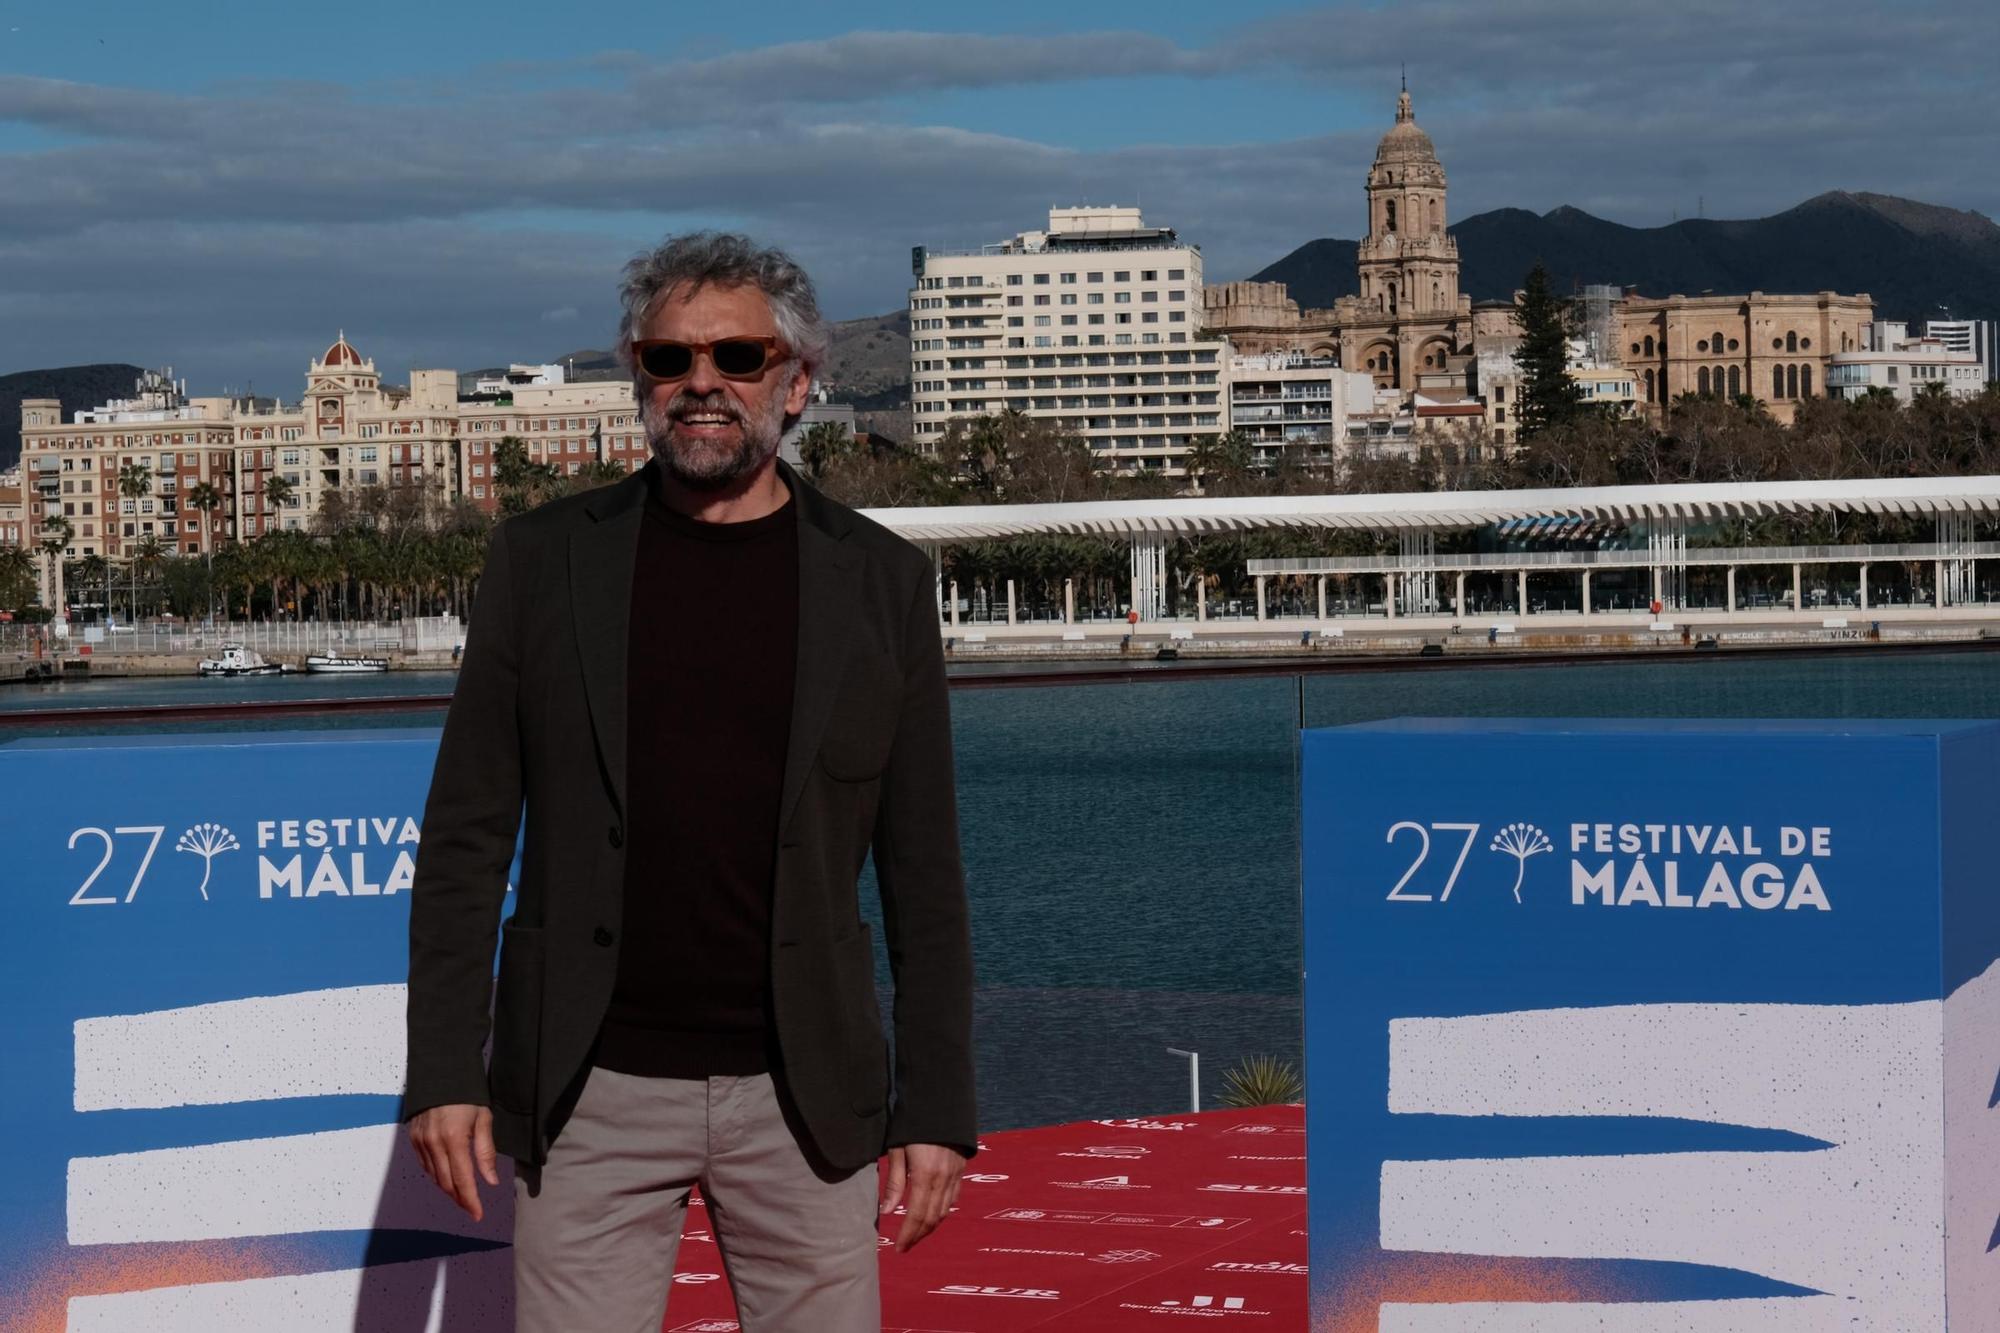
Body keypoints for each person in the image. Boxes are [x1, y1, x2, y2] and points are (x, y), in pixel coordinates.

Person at [401, 232, 976, 1332]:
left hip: (806, 1095)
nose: (701, 383)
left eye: (737, 356)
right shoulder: (540, 563)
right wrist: (443, 1069)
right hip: (586, 1090)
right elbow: (467, 836)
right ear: (638, 374)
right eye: (669, 359)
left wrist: (938, 1103)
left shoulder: (881, 582)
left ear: (797, 381)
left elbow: (924, 872)